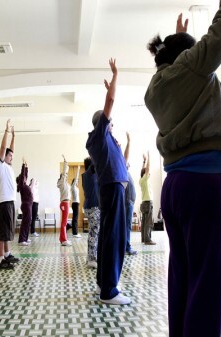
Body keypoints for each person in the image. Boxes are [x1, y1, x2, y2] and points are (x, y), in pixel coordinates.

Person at [144, 1, 221, 335]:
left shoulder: (160, 86)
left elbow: (172, 62)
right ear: (186, 58)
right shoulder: (188, 71)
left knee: (186, 277)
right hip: (206, 186)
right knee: (211, 284)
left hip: (179, 187)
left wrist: (179, 38)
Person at [86, 58, 130, 305]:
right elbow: (110, 102)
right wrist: (115, 75)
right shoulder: (100, 135)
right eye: (109, 120)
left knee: (108, 235)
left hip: (113, 187)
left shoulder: (105, 139)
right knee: (113, 236)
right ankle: (109, 291)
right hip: (112, 187)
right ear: (103, 122)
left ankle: (104, 282)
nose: (112, 122)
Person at [0, 119, 20, 269]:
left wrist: (14, 137)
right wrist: (7, 132)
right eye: (10, 156)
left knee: (8, 230)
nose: (11, 157)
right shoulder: (0, 164)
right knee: (2, 232)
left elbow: (11, 150)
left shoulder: (9, 167)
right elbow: (4, 148)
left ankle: (8, 254)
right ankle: (0, 259)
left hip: (9, 201)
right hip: (3, 202)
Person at [82, 157, 100, 268]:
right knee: (94, 233)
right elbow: (95, 161)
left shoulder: (87, 176)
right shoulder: (88, 174)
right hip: (93, 208)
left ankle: (90, 257)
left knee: (93, 233)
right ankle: (91, 260)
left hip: (91, 207)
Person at [124, 132, 138, 255]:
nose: (129, 163)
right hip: (127, 202)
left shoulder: (127, 173)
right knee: (127, 226)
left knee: (126, 226)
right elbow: (126, 157)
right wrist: (129, 142)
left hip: (129, 203)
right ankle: (127, 247)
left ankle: (125, 246)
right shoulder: (123, 169)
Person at [139, 152, 156, 245]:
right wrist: (149, 157)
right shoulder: (145, 179)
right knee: (148, 222)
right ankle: (147, 240)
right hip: (148, 202)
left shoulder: (141, 180)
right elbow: (147, 169)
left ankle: (143, 238)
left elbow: (143, 170)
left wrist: (144, 161)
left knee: (144, 221)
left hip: (144, 203)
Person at [17, 159, 34, 246]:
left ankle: (25, 238)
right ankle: (21, 240)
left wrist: (26, 167)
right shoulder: (21, 185)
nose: (25, 178)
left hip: (29, 205)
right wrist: (23, 165)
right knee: (25, 222)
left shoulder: (24, 184)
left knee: (28, 222)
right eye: (23, 177)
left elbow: (25, 175)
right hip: (26, 205)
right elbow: (23, 174)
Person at [57, 155, 72, 246]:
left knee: (65, 222)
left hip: (66, 203)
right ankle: (63, 240)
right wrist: (66, 163)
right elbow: (64, 173)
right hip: (64, 203)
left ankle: (62, 238)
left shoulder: (65, 183)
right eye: (65, 176)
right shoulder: (62, 182)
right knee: (64, 222)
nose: (66, 176)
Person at [70, 166, 82, 238]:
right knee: (75, 218)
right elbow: (76, 177)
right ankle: (75, 233)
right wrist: (78, 169)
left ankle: (74, 232)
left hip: (76, 203)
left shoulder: (75, 187)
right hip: (75, 203)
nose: (77, 182)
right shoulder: (73, 187)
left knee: (75, 218)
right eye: (76, 181)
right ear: (74, 182)